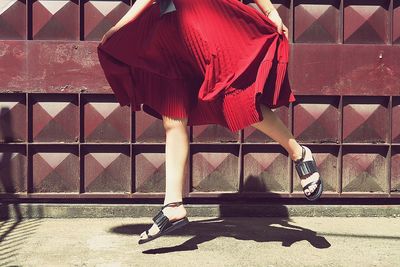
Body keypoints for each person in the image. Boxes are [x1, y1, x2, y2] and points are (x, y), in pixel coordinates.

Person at [97, 0, 323, 245]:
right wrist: (120, 26)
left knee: (238, 101)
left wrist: (269, 10)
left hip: (208, 17)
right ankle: (173, 205)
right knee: (173, 118)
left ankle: (299, 153)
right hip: (170, 29)